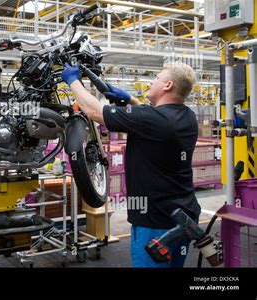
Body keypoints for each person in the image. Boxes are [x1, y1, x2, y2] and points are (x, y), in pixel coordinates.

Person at [61, 61, 201, 267]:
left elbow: (94, 112)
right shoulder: (187, 116)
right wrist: (131, 100)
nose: (151, 82)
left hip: (154, 221)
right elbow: (153, 120)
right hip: (183, 217)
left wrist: (73, 81)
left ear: (168, 85)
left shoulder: (153, 119)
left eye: (157, 78)